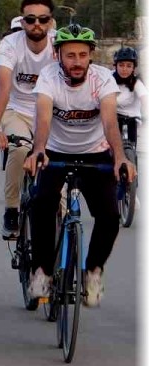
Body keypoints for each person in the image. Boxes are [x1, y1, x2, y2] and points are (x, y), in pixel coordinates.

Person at [23, 24, 136, 306]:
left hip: (94, 153)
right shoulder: (48, 77)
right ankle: (43, 271)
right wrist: (38, 150)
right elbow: (44, 118)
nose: (77, 62)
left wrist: (119, 156)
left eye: (83, 55)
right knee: (42, 205)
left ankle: (94, 270)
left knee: (109, 216)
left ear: (91, 56)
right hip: (55, 152)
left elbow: (110, 121)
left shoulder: (102, 80)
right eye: (70, 55)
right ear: (58, 54)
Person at [0, 0, 58, 239]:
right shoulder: (11, 44)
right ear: (23, 21)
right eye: (30, 19)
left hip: (49, 111)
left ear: (50, 22)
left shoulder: (58, 44)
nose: (36, 24)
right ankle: (11, 209)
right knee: (18, 150)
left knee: (59, 158)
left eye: (42, 19)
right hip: (16, 109)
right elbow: (4, 87)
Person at [112, 47, 146, 153]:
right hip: (112, 117)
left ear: (133, 68)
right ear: (115, 66)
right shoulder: (109, 78)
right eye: (121, 65)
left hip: (131, 118)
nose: (124, 69)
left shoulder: (136, 82)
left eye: (129, 66)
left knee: (131, 148)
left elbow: (145, 98)